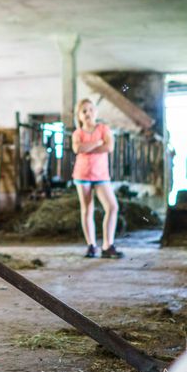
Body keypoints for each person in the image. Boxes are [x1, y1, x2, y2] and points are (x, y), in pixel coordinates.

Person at [71, 98, 123, 259]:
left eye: (90, 109)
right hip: (82, 175)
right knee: (87, 209)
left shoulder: (103, 128)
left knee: (112, 207)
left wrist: (89, 146)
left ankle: (107, 245)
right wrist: (98, 143)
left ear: (96, 111)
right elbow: (77, 148)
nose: (88, 113)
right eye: (84, 111)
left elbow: (109, 147)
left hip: (101, 176)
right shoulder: (77, 133)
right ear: (79, 116)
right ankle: (91, 246)